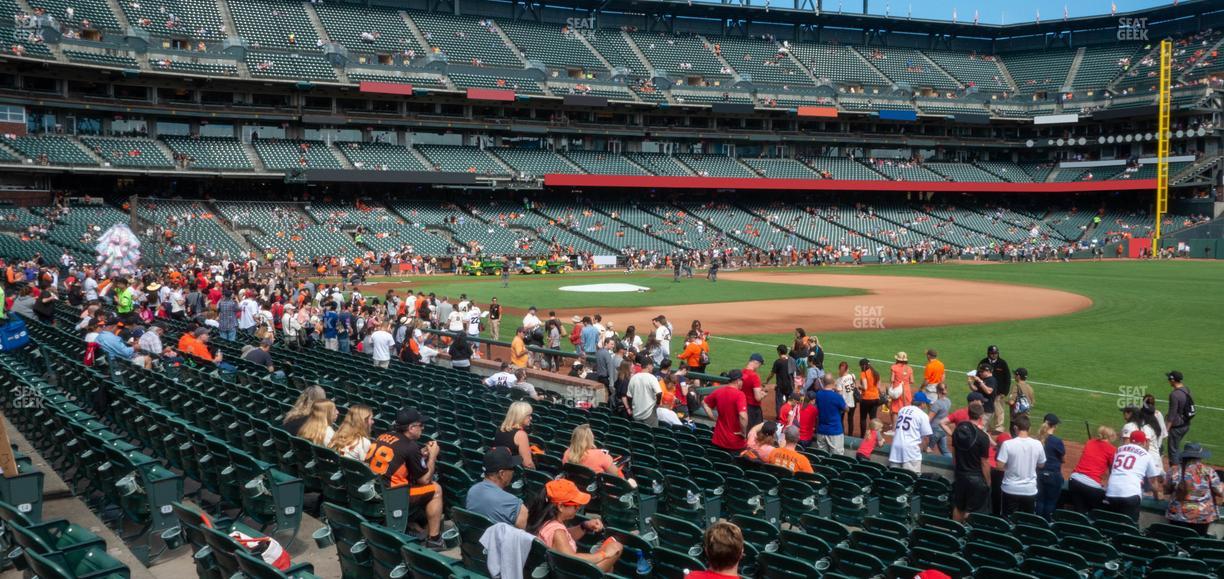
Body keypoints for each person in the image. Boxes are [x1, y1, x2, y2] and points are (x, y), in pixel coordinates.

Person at [366, 408, 444, 550]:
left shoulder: (384, 436)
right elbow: (425, 480)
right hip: (394, 494)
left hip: (375, 487)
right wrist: (432, 456)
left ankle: (411, 524)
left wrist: (420, 455)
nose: (423, 428)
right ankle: (435, 539)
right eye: (420, 425)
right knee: (436, 489)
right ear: (411, 428)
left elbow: (398, 458)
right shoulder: (410, 446)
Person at [526, 479, 622, 572]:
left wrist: (584, 526)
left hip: (555, 570)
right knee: (617, 546)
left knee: (610, 567)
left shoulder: (543, 520)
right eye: (576, 505)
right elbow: (572, 559)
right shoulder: (557, 532)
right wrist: (604, 554)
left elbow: (563, 540)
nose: (578, 508)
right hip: (570, 573)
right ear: (561, 507)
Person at [1163, 443, 1223, 535]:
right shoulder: (1208, 471)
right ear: (1199, 456)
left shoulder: (1173, 470)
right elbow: (1219, 492)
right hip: (1201, 516)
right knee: (1196, 542)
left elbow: (1166, 490)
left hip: (1177, 514)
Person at [1103, 430, 1163, 522]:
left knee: (1112, 524)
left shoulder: (1118, 450)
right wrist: (1156, 495)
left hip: (1111, 492)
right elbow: (1153, 482)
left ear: (1130, 440)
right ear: (1144, 442)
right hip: (1130, 494)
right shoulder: (1146, 455)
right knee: (1130, 526)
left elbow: (1112, 470)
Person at [466, 447, 527, 528]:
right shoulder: (515, 505)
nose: (513, 472)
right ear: (502, 474)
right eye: (512, 468)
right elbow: (522, 538)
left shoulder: (472, 492)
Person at [996, 414, 1045, 515]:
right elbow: (1041, 465)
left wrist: (1011, 466)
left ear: (1015, 428)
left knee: (1007, 521)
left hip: (1010, 489)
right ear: (1029, 428)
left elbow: (999, 466)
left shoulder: (1007, 444)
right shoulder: (1038, 444)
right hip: (1029, 490)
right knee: (1026, 522)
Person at [952, 401, 991, 521]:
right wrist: (988, 481)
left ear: (968, 414)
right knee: (971, 511)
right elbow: (984, 462)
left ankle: (955, 533)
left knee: (959, 507)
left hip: (960, 474)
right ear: (980, 417)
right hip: (976, 478)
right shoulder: (983, 437)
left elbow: (954, 453)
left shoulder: (958, 431)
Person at [1067, 425, 1117, 513]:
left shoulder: (1089, 442)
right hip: (1091, 485)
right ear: (1110, 437)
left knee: (1079, 510)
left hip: (1074, 480)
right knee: (1096, 511)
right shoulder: (1112, 449)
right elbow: (1113, 469)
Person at [564, 424, 629, 481]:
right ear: (590, 438)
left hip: (577, 486)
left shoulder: (567, 453)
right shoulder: (599, 454)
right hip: (598, 490)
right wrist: (608, 458)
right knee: (631, 480)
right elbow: (615, 474)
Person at [703, 370, 748, 451]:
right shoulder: (740, 394)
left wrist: (712, 417)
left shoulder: (719, 391)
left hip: (718, 439)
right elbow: (743, 416)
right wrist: (743, 432)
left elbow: (704, 403)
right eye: (742, 380)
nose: (743, 382)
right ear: (738, 381)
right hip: (734, 442)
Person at [889, 391, 932, 473]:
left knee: (894, 477)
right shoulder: (923, 415)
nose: (926, 405)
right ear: (922, 403)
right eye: (925, 403)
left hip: (895, 448)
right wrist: (926, 448)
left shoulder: (902, 410)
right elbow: (926, 437)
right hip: (910, 452)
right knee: (910, 479)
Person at [1035, 414, 1064, 519]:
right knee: (1050, 502)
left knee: (1039, 500)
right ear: (1055, 426)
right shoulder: (1057, 441)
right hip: (1053, 475)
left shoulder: (1037, 439)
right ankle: (1046, 523)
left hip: (1039, 474)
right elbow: (1062, 457)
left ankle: (1038, 523)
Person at [493, 402, 536, 470]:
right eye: (529, 415)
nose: (531, 418)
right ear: (521, 416)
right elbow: (528, 464)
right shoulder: (521, 434)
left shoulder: (500, 429)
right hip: (512, 473)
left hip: (499, 468)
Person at [980, 346, 1011, 433]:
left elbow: (1007, 378)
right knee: (986, 409)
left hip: (999, 392)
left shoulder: (1002, 363)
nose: (994, 355)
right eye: (992, 353)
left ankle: (999, 427)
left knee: (999, 410)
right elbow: (979, 375)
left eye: (996, 353)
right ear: (988, 354)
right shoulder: (983, 362)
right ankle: (987, 426)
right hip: (985, 391)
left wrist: (1005, 392)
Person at [1166, 370, 1194, 464]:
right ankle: (1180, 466)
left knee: (1173, 450)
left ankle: (1175, 474)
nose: (1168, 381)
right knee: (1176, 447)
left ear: (1172, 380)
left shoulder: (1174, 394)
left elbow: (1172, 414)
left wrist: (1167, 429)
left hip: (1177, 427)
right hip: (1186, 424)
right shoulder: (1187, 390)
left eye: (1169, 379)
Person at [814, 374, 847, 455]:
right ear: (833, 382)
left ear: (823, 382)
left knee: (821, 457)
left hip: (821, 431)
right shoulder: (837, 396)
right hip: (835, 431)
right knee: (836, 459)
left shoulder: (818, 394)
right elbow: (847, 409)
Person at [627, 358, 661, 427]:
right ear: (648, 365)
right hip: (650, 413)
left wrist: (631, 408)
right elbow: (659, 393)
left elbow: (629, 396)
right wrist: (657, 403)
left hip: (636, 412)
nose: (653, 367)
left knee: (639, 433)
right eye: (652, 365)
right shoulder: (652, 378)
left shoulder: (633, 378)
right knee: (651, 434)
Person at [764, 345, 795, 418]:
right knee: (789, 401)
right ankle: (789, 416)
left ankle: (780, 417)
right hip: (789, 384)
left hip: (780, 385)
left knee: (779, 402)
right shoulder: (792, 360)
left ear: (779, 352)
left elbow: (772, 374)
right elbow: (794, 373)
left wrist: (767, 381)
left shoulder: (778, 362)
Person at [887, 351, 914, 432]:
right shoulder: (909, 368)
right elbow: (912, 381)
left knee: (895, 410)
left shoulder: (894, 367)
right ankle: (903, 426)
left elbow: (892, 379)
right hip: (907, 391)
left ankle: (894, 430)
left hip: (898, 391)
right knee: (905, 408)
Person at [856, 358, 881, 438]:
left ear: (863, 366)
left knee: (863, 418)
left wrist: (859, 387)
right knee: (873, 418)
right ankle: (873, 436)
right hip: (876, 398)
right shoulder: (876, 373)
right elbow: (879, 387)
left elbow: (865, 387)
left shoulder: (864, 373)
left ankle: (862, 436)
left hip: (866, 399)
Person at [926, 384, 952, 457]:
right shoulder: (948, 401)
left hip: (935, 430)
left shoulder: (937, 404)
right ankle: (950, 462)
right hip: (943, 429)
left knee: (928, 449)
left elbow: (929, 418)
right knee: (944, 450)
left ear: (937, 391)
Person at [742, 353, 766, 428]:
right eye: (760, 364)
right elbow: (757, 397)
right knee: (755, 431)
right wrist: (763, 394)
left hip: (742, 405)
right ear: (756, 362)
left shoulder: (742, 372)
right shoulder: (754, 376)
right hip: (753, 409)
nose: (759, 367)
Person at [835, 361, 856, 437]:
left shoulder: (839, 380)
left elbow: (840, 394)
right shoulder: (852, 376)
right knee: (850, 420)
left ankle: (842, 435)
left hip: (843, 403)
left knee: (841, 420)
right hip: (852, 401)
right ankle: (850, 436)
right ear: (847, 369)